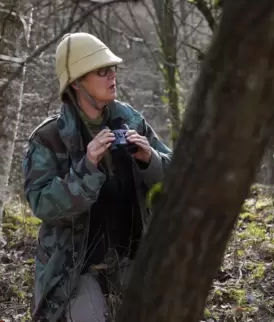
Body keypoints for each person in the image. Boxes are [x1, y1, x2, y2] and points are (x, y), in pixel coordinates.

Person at [22, 32, 172, 322]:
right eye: (101, 71)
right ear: (77, 82)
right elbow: (43, 205)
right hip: (75, 269)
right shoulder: (48, 139)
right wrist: (87, 166)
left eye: (113, 69)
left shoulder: (131, 121)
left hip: (134, 258)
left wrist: (149, 159)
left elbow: (177, 181)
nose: (112, 76)